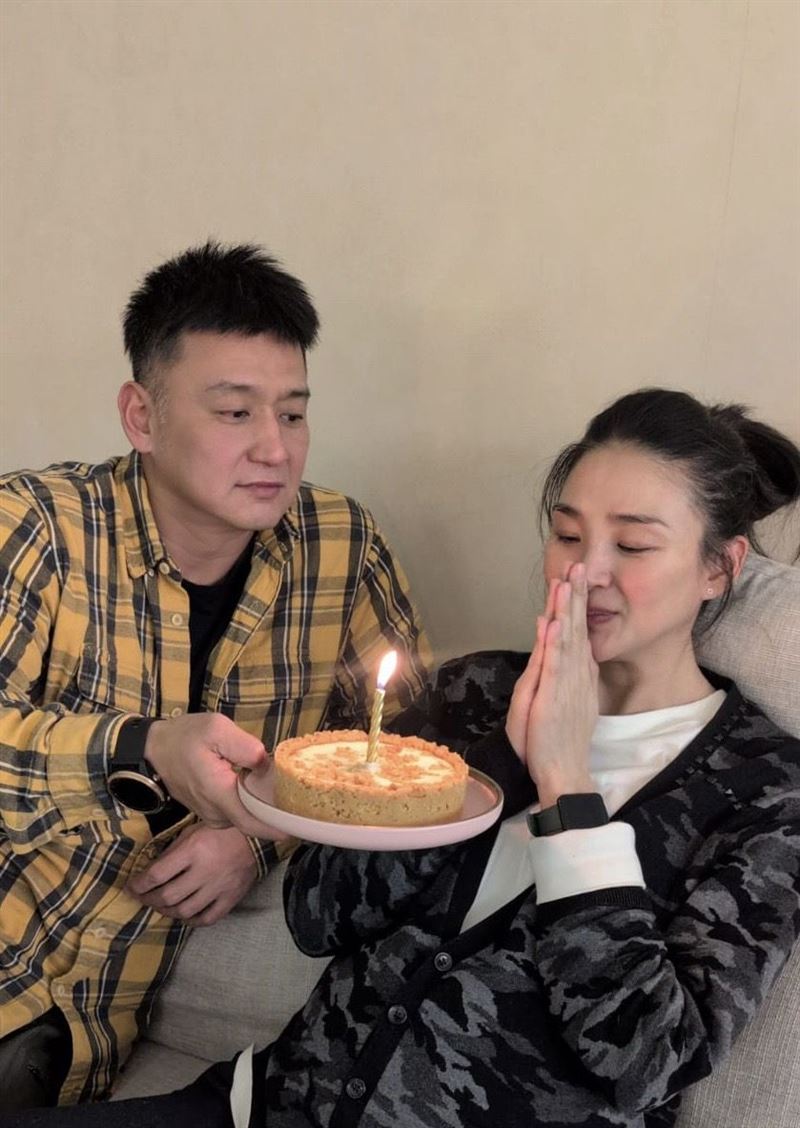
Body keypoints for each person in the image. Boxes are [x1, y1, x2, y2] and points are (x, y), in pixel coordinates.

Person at [7, 386, 800, 1128]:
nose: (583, 572)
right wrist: (499, 761)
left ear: (718, 567)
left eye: (632, 544)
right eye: (567, 535)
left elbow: (646, 1061)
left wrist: (566, 789)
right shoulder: (475, 693)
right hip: (270, 1102)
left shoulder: (765, 792)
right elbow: (318, 913)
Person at [0, 241, 430, 1110]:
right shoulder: (36, 527)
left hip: (89, 1025)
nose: (275, 448)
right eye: (235, 412)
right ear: (142, 415)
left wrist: (260, 836)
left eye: (293, 414)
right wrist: (144, 747)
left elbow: (399, 755)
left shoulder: (342, 548)